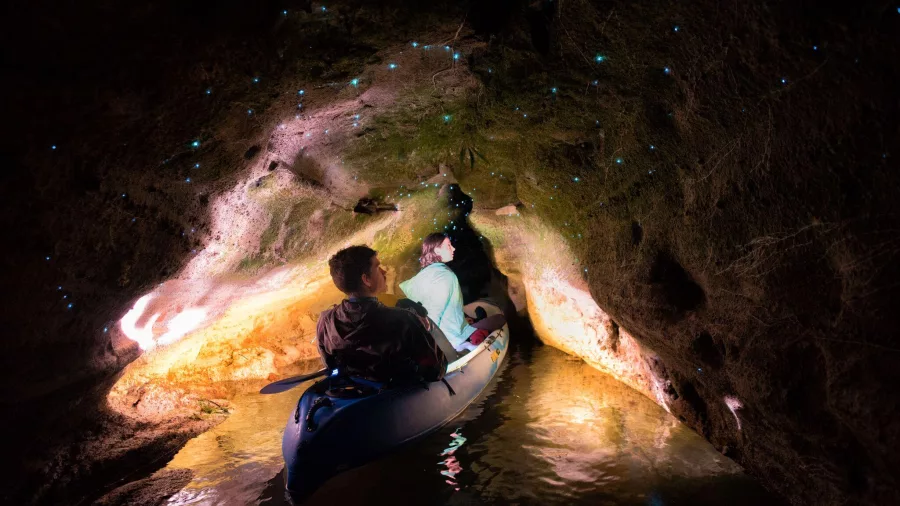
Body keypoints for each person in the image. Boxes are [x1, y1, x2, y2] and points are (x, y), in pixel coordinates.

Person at [316, 245, 447, 382]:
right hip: (396, 395)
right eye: (378, 267)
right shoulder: (403, 320)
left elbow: (330, 367)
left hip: (355, 393)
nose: (384, 272)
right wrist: (424, 331)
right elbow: (435, 371)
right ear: (366, 279)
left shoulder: (325, 321)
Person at [399, 233, 506, 351]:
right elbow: (433, 315)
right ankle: (476, 322)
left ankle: (474, 320)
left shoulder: (421, 277)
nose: (453, 248)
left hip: (449, 329)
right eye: (449, 245)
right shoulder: (445, 276)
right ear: (437, 250)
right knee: (500, 319)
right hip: (454, 337)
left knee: (467, 316)